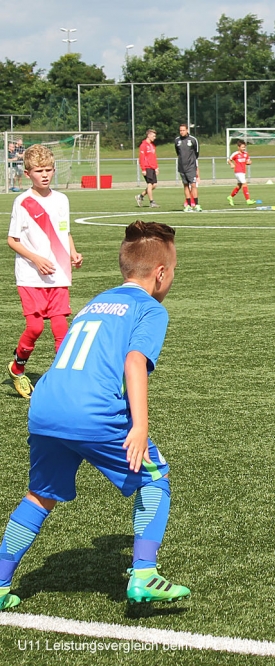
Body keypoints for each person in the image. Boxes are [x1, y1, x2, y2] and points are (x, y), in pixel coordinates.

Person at [0, 221, 191, 612]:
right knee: (155, 477)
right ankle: (144, 573)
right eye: (173, 270)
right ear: (160, 274)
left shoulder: (97, 301)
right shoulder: (150, 309)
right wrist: (140, 426)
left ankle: (0, 582)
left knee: (40, 495)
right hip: (91, 409)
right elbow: (134, 362)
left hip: (46, 404)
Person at [6, 145, 83, 400]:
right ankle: (18, 368)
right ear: (28, 173)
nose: (45, 175)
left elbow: (64, 232)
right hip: (31, 277)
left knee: (61, 329)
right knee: (36, 328)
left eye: (49, 170)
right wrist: (37, 259)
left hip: (58, 275)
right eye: (39, 171)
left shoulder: (62, 200)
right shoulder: (23, 202)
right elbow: (12, 240)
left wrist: (73, 253)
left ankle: (63, 380)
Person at [174, 124, 200, 212]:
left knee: (193, 185)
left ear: (187, 130)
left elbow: (197, 153)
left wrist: (193, 162)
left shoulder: (193, 140)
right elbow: (178, 152)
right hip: (182, 167)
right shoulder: (177, 140)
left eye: (183, 130)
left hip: (191, 166)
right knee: (185, 185)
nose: (182, 132)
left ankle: (196, 205)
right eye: (180, 130)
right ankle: (188, 205)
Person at [135, 129, 160, 208]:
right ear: (148, 135)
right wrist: (143, 169)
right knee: (149, 184)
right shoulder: (143, 145)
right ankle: (152, 202)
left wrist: (156, 167)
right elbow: (141, 158)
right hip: (147, 167)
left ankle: (140, 196)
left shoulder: (152, 145)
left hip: (152, 167)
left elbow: (153, 157)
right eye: (153, 136)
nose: (154, 137)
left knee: (154, 185)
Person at [226, 140, 254, 206]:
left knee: (239, 186)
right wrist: (231, 164)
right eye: (242, 147)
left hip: (243, 172)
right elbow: (229, 160)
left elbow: (247, 162)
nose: (243, 148)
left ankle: (230, 197)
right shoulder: (235, 154)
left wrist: (249, 162)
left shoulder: (246, 154)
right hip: (238, 172)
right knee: (245, 184)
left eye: (244, 147)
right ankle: (248, 200)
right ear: (238, 147)